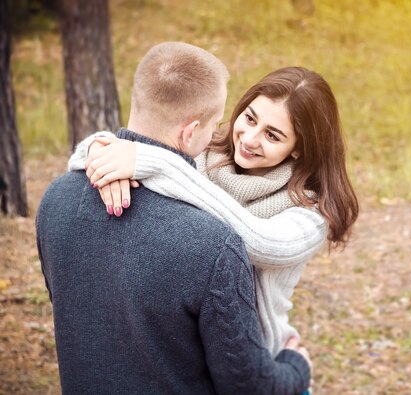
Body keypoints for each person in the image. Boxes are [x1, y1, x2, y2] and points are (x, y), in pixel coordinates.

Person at [37, 42, 312, 394]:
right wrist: (296, 366)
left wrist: (100, 148)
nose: (226, 134)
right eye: (215, 124)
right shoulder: (213, 245)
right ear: (190, 131)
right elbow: (247, 385)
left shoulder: (56, 198)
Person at [68, 67, 360, 359]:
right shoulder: (199, 153)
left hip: (257, 365)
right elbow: (86, 155)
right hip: (180, 347)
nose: (249, 138)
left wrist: (155, 164)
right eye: (249, 118)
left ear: (298, 149)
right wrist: (102, 153)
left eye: (272, 135)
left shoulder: (309, 210)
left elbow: (263, 244)